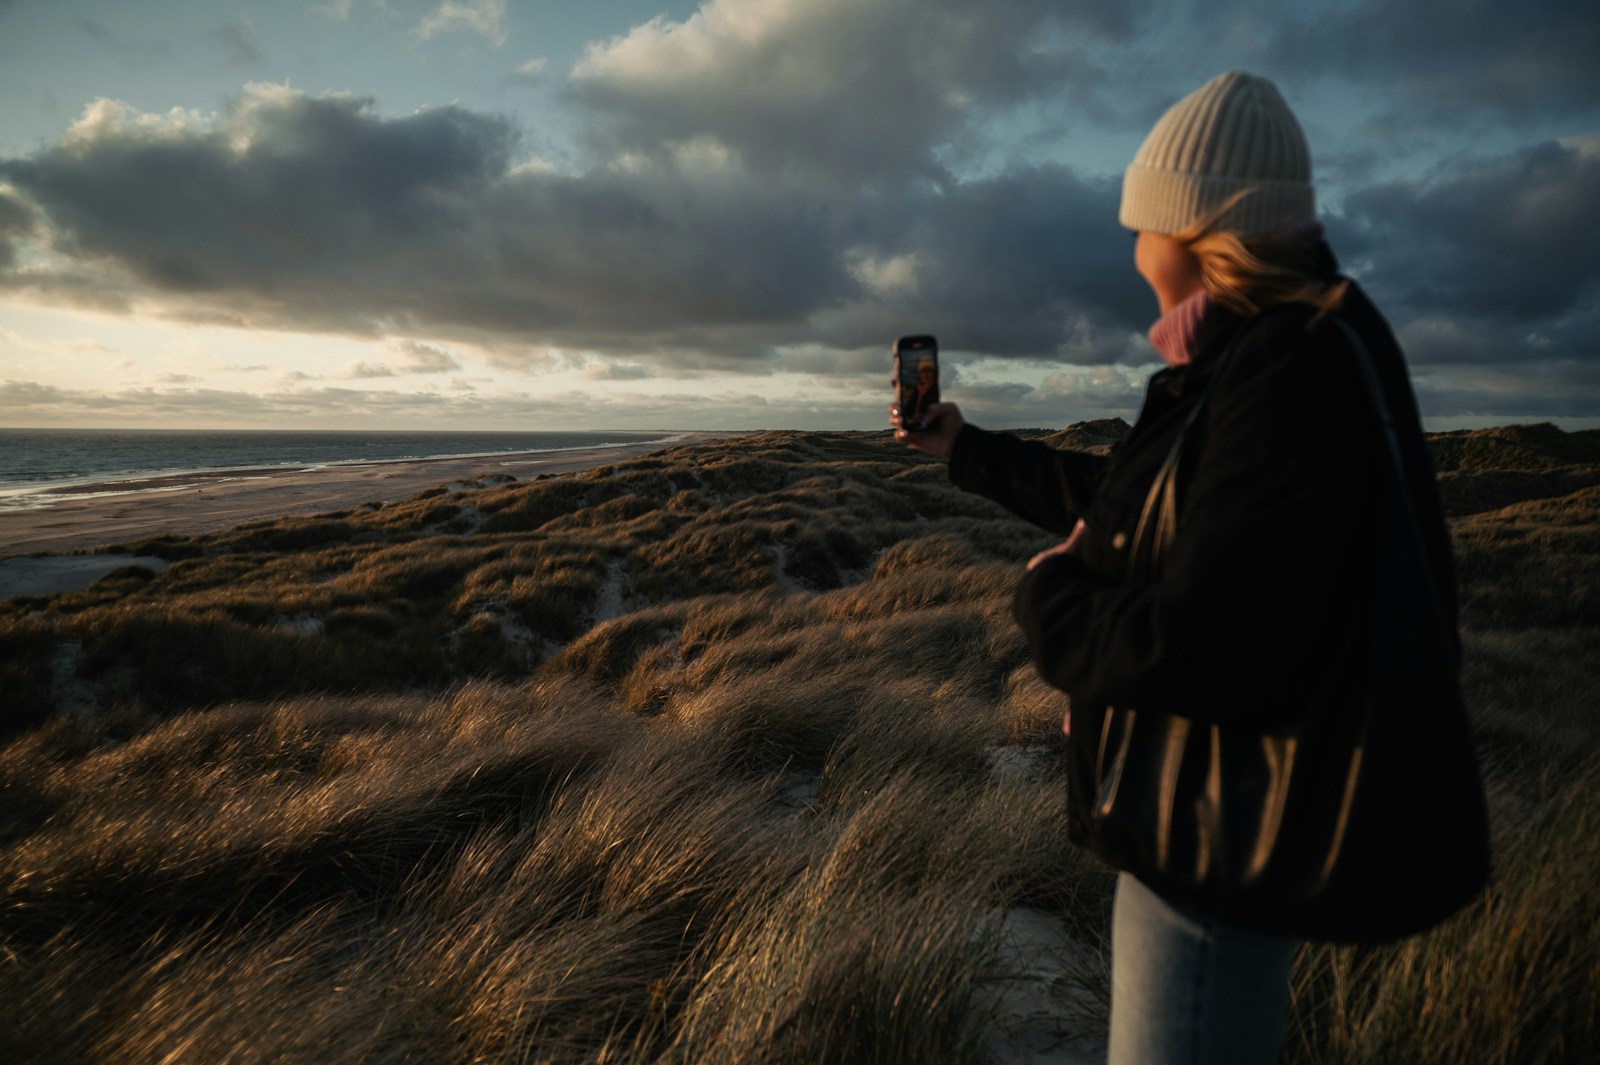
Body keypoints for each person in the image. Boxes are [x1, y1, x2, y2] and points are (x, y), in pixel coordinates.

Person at [891, 71, 1483, 1064]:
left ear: (1199, 230)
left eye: (1141, 224)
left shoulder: (1288, 371)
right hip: (1220, 821)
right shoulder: (1275, 350)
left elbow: (1207, 644)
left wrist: (1046, 600)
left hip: (1218, 835)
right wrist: (965, 450)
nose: (1131, 250)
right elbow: (1136, 506)